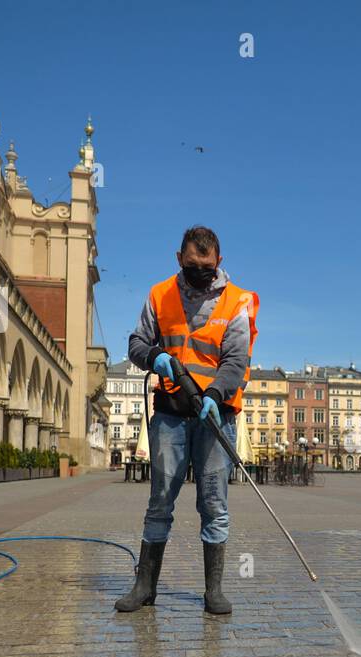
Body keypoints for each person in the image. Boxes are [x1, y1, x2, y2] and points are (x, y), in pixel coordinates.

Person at [116, 226, 259, 615]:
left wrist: (214, 394)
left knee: (213, 503)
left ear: (219, 263)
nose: (200, 272)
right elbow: (136, 343)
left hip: (217, 416)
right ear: (179, 259)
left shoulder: (237, 301)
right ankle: (145, 586)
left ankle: (213, 590)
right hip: (170, 415)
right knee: (160, 499)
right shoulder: (159, 294)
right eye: (193, 265)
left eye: (207, 267)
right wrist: (153, 358)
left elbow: (236, 361)